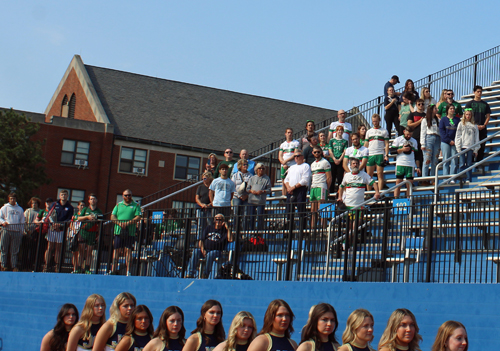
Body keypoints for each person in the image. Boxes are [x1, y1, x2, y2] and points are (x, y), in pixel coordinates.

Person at [338, 158, 380, 247]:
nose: (355, 165)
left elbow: (373, 183)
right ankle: (347, 243)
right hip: (348, 205)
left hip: (359, 206)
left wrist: (377, 192)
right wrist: (339, 197)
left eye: (356, 163)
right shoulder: (347, 175)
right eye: (353, 163)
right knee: (349, 227)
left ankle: (350, 244)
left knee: (355, 227)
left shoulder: (364, 175)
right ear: (350, 165)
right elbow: (341, 186)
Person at [185, 213, 233, 279]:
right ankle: (190, 274)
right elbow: (201, 240)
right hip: (205, 249)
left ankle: (205, 274)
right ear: (214, 220)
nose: (218, 221)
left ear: (223, 221)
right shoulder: (209, 228)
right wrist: (202, 249)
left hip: (217, 251)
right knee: (196, 251)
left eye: (220, 220)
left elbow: (230, 239)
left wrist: (228, 228)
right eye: (217, 219)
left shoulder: (225, 231)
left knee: (210, 254)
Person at [110, 190, 141, 276]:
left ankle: (128, 271)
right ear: (123, 196)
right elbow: (112, 216)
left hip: (130, 232)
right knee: (116, 251)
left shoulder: (136, 205)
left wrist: (128, 223)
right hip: (118, 231)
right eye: (126, 195)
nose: (128, 197)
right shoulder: (118, 205)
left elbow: (138, 216)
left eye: (129, 195)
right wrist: (119, 223)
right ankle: (113, 270)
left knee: (128, 251)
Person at [465, 85, 491, 168]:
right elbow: (466, 116)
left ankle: (479, 164)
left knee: (481, 146)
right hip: (472, 128)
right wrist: (475, 125)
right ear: (474, 92)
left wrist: (484, 125)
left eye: (480, 91)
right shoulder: (469, 104)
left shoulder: (485, 104)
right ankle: (470, 164)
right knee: (471, 146)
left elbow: (488, 116)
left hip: (482, 129)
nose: (479, 93)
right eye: (478, 91)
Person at [75, 194, 103, 274]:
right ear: (89, 201)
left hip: (93, 233)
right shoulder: (85, 209)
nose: (92, 200)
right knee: (81, 251)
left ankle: (87, 268)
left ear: (96, 200)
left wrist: (99, 235)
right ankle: (79, 268)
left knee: (89, 252)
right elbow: (79, 218)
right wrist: (87, 217)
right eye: (91, 199)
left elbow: (101, 224)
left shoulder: (99, 211)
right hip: (83, 232)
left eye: (94, 199)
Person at [391, 127, 420, 198]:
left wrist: (418, 167)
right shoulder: (398, 139)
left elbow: (417, 155)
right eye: (407, 134)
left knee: (409, 184)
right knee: (398, 183)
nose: (409, 136)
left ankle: (408, 201)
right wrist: (402, 149)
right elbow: (392, 151)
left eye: (410, 135)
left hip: (410, 164)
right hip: (401, 163)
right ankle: (396, 200)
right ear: (404, 131)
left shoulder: (414, 141)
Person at [0, 192, 25, 272]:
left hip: (16, 231)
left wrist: (21, 231)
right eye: (11, 198)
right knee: (4, 248)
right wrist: (3, 222)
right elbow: (0, 217)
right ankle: (3, 265)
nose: (12, 200)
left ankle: (13, 266)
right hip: (6, 230)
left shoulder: (20, 209)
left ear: (15, 199)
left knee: (14, 250)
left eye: (13, 198)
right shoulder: (4, 208)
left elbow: (22, 221)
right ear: (9, 199)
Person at [365, 114, 389, 191]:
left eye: (376, 121)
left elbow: (387, 144)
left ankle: (379, 193)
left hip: (380, 154)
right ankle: (369, 193)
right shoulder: (369, 131)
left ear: (379, 120)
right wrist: (364, 155)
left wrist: (386, 155)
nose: (374, 123)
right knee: (369, 175)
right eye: (373, 121)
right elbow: (366, 144)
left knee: (380, 174)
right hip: (370, 154)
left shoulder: (384, 131)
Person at [52, 189, 75, 272]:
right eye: (62, 195)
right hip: (52, 228)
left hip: (62, 230)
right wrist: (54, 224)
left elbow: (70, 219)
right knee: (50, 247)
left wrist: (60, 225)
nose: (63, 196)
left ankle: (57, 266)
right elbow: (49, 215)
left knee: (58, 248)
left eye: (65, 195)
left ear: (67, 196)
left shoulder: (70, 207)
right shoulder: (54, 204)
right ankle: (47, 265)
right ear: (59, 196)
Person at [284, 151, 312, 218]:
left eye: (298, 156)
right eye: (295, 156)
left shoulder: (306, 166)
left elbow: (305, 180)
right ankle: (289, 226)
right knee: (289, 210)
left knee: (301, 209)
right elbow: (286, 179)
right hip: (290, 190)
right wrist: (288, 188)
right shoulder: (291, 167)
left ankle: (302, 226)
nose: (296, 157)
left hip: (300, 189)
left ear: (302, 157)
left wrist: (293, 187)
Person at [310, 146, 332, 229]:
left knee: (322, 208)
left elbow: (329, 177)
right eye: (315, 152)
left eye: (318, 152)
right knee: (313, 210)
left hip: (321, 186)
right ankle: (313, 229)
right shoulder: (312, 164)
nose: (316, 153)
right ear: (313, 153)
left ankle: (323, 228)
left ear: (321, 152)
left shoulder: (325, 162)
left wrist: (327, 188)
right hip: (313, 187)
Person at [455, 109, 480, 183]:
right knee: (462, 163)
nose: (468, 116)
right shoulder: (461, 124)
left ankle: (468, 178)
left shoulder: (474, 125)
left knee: (469, 163)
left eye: (469, 114)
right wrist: (458, 147)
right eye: (466, 114)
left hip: (471, 147)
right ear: (464, 115)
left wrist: (476, 149)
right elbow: (458, 136)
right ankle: (461, 179)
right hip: (463, 146)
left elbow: (476, 138)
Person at [247, 163, 272, 231]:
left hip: (261, 201)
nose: (261, 170)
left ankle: (259, 233)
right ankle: (251, 233)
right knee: (251, 217)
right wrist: (252, 191)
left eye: (263, 168)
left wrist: (263, 191)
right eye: (259, 168)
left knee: (260, 217)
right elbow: (247, 188)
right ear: (256, 169)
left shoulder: (267, 178)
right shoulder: (252, 178)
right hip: (251, 200)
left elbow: (269, 190)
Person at [420, 105, 441, 184]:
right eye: (435, 109)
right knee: (427, 159)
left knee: (435, 160)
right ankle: (424, 179)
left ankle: (432, 179)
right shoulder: (425, 120)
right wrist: (422, 144)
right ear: (431, 110)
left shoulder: (438, 120)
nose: (437, 110)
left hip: (437, 138)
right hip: (429, 138)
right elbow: (423, 132)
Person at [439, 104, 461, 181]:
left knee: (454, 160)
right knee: (446, 160)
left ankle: (452, 178)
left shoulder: (458, 120)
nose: (452, 110)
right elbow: (442, 132)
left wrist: (455, 141)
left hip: (455, 142)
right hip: (445, 142)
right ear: (447, 110)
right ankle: (445, 178)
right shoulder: (443, 119)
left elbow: (459, 132)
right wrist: (449, 140)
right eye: (451, 108)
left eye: (453, 108)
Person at [36, 198, 57, 272]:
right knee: (41, 249)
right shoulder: (42, 211)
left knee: (52, 249)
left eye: (50, 203)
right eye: (47, 202)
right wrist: (40, 222)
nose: (48, 204)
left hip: (51, 232)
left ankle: (50, 265)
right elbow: (36, 220)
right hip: (42, 232)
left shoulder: (54, 211)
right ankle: (39, 266)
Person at [231, 159, 253, 229]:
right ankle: (235, 230)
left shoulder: (251, 176)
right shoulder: (235, 175)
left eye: (247, 164)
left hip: (247, 197)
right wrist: (239, 196)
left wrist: (246, 195)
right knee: (236, 214)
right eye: (244, 164)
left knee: (246, 215)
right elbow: (232, 187)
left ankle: (244, 231)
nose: (246, 166)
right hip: (237, 197)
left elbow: (252, 187)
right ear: (240, 166)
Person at [21, 196, 42, 270]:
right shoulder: (28, 211)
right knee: (25, 250)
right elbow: (24, 221)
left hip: (36, 232)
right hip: (27, 232)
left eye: (35, 203)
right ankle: (24, 265)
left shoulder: (40, 211)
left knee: (33, 250)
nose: (34, 204)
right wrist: (26, 230)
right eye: (32, 203)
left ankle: (31, 265)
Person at [279, 128, 300, 196]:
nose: (289, 134)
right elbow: (280, 155)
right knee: (284, 181)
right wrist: (283, 162)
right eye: (288, 132)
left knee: (292, 181)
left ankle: (291, 195)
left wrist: (286, 161)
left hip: (292, 165)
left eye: (291, 132)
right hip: (284, 165)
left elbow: (295, 154)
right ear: (285, 134)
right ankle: (284, 197)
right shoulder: (282, 144)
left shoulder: (296, 143)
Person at [407, 99, 426, 173]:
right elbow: (409, 125)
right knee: (415, 156)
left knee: (422, 157)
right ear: (416, 105)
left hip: (423, 138)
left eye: (422, 104)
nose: (421, 105)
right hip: (415, 137)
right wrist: (419, 121)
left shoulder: (425, 115)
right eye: (419, 104)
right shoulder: (412, 114)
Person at [328, 126, 348, 192]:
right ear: (336, 131)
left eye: (341, 130)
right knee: (332, 177)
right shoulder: (332, 140)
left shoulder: (345, 141)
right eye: (338, 130)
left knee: (340, 178)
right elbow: (330, 150)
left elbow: (344, 152)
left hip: (341, 161)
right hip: (332, 161)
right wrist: (334, 159)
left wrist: (339, 159)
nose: (340, 131)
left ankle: (340, 193)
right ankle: (331, 193)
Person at [196, 172, 214, 238]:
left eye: (205, 178)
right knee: (200, 224)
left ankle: (209, 237)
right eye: (203, 178)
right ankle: (200, 239)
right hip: (200, 208)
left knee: (210, 223)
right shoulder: (200, 187)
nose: (204, 180)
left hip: (209, 208)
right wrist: (201, 204)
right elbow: (197, 198)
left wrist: (209, 204)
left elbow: (214, 197)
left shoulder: (212, 187)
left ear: (209, 178)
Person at [70, 201, 86, 274]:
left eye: (83, 205)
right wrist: (74, 230)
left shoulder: (85, 215)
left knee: (81, 252)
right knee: (74, 252)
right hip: (74, 234)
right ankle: (75, 268)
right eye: (81, 205)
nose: (82, 207)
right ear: (78, 206)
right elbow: (71, 224)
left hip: (82, 234)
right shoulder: (75, 215)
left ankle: (80, 268)